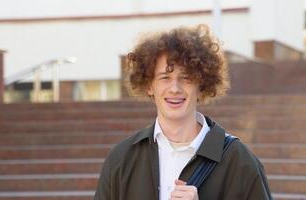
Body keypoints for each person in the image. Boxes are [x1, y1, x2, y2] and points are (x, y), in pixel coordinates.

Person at [94, 24, 272, 200]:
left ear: (201, 86)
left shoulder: (240, 162)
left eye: (186, 78)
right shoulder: (121, 159)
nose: (174, 88)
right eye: (165, 77)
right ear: (149, 85)